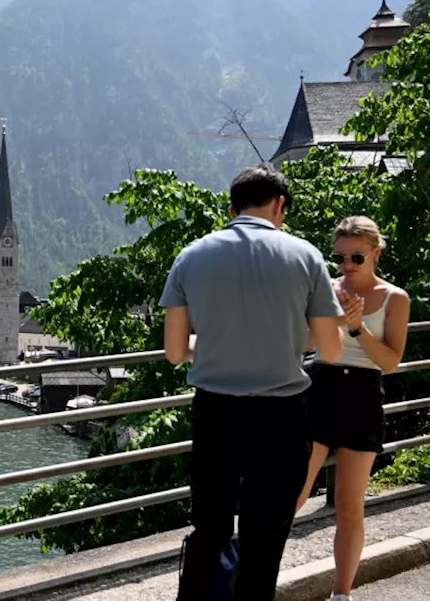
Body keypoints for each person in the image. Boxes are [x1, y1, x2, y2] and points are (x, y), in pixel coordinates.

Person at [161, 164, 345, 601]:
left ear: (231, 208)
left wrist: (212, 342)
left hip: (215, 412)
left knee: (210, 528)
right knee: (264, 536)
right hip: (281, 417)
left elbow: (174, 351)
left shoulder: (192, 255)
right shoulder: (305, 256)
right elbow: (332, 351)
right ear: (280, 205)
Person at [296, 216, 410, 601]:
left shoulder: (395, 298)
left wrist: (359, 327)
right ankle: (253, 582)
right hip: (320, 386)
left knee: (349, 506)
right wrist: (331, 320)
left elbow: (391, 361)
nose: (347, 266)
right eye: (341, 257)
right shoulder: (327, 288)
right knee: (291, 495)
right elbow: (307, 344)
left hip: (362, 395)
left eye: (357, 257)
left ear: (376, 253)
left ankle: (341, 594)